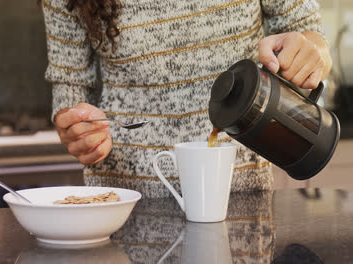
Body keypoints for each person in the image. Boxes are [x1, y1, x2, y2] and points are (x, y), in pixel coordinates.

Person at [41, 0, 332, 198]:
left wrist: (310, 52)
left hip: (239, 205)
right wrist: (76, 125)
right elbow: (70, 81)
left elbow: (310, 33)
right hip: (126, 206)